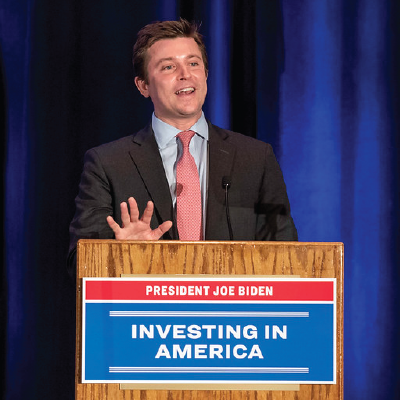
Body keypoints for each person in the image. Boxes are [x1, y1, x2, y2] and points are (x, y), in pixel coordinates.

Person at [68, 19, 297, 277]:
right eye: (168, 66)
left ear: (206, 75)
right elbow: (80, 262)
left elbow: (287, 260)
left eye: (193, 63)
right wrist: (123, 256)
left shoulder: (255, 158)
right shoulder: (107, 164)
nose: (185, 74)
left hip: (233, 315)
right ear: (143, 86)